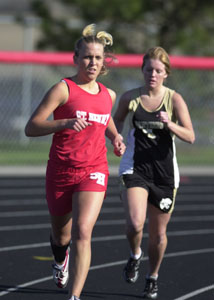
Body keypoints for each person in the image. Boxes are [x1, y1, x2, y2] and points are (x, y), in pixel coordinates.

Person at [25, 24, 126, 300]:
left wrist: (116, 137)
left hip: (93, 170)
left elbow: (104, 120)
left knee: (83, 231)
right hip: (60, 170)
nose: (92, 62)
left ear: (104, 61)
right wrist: (64, 123)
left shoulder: (109, 95)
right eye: (87, 57)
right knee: (62, 237)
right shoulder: (63, 89)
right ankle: (60, 259)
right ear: (76, 58)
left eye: (97, 57)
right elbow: (31, 127)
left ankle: (75, 296)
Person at [114, 46, 195, 299]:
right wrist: (117, 138)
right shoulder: (130, 97)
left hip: (164, 173)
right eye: (149, 69)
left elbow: (190, 136)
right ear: (142, 70)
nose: (153, 74)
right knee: (135, 224)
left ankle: (153, 277)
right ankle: (135, 255)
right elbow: (115, 120)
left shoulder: (174, 99)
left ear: (166, 74)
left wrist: (170, 124)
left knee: (158, 234)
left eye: (158, 70)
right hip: (135, 167)